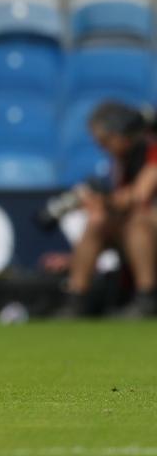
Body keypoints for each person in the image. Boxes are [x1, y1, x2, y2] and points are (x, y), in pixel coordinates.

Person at [61, 102, 157, 318]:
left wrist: (103, 201)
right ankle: (76, 300)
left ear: (122, 132)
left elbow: (140, 196)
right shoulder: (122, 161)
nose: (102, 147)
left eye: (105, 140)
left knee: (138, 222)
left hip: (148, 225)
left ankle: (146, 297)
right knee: (97, 223)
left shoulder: (153, 149)